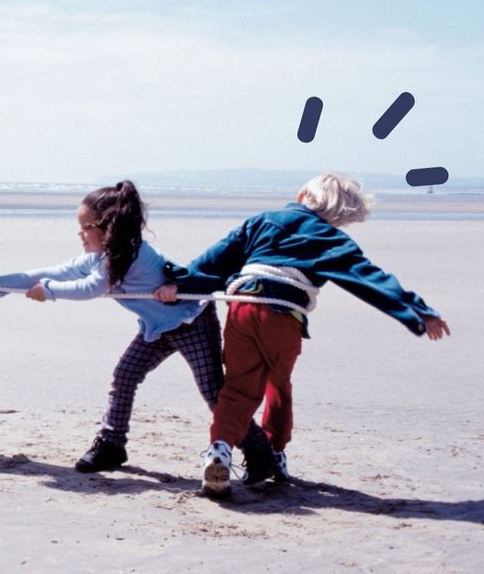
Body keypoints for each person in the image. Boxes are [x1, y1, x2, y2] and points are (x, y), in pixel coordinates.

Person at [155, 173, 450, 499]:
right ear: (340, 217)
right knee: (277, 385)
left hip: (241, 307)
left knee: (237, 388)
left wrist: (178, 284)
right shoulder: (330, 238)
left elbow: (215, 259)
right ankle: (277, 455)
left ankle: (218, 451)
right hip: (283, 316)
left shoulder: (262, 221)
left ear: (301, 195)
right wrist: (418, 312)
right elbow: (369, 279)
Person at [0, 181, 273, 478]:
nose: (80, 233)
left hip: (190, 320)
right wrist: (1, 282)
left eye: (86, 227)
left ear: (109, 229)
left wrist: (49, 292)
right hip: (157, 328)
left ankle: (260, 451)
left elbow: (89, 288)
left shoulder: (128, 255)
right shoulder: (100, 257)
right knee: (125, 374)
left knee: (213, 391)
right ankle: (111, 445)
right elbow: (51, 272)